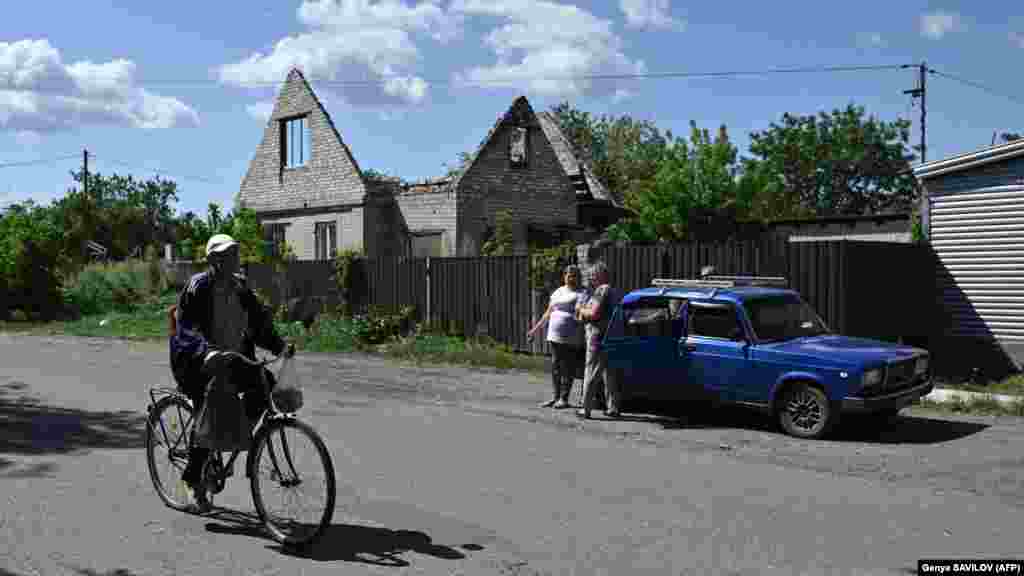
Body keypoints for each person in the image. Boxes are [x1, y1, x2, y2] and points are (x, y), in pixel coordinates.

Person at [169, 233, 293, 513]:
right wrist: (206, 351)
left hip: (233, 358)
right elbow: (186, 327)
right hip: (197, 362)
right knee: (208, 414)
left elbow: (259, 325)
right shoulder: (198, 285)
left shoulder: (240, 287)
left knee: (265, 386)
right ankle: (194, 481)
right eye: (224, 255)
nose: (231, 260)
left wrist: (280, 347)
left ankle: (235, 434)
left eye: (234, 254)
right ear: (212, 260)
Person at [527, 265, 586, 409]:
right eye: (568, 275)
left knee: (568, 366)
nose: (570, 278)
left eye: (574, 275)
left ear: (578, 277)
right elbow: (548, 313)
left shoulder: (582, 293)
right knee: (555, 365)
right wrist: (534, 330)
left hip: (572, 335)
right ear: (564, 276)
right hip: (554, 335)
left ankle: (564, 398)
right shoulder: (558, 291)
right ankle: (555, 397)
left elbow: (582, 314)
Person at [575, 261, 623, 419]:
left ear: (601, 275)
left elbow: (593, 313)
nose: (590, 278)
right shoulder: (616, 292)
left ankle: (585, 408)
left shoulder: (602, 289)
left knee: (591, 370)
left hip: (598, 336)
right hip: (612, 337)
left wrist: (580, 310)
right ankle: (613, 407)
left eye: (593, 275)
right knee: (609, 373)